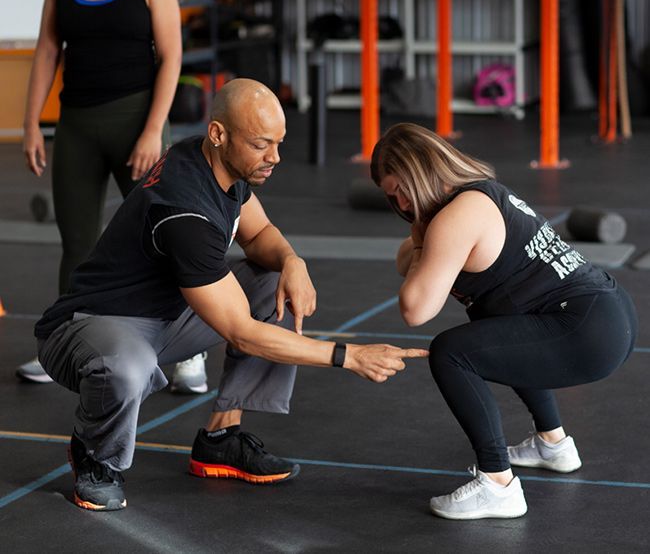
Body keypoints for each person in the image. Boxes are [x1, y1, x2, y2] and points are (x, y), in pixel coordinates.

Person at [34, 79, 428, 512]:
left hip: (164, 316)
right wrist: (349, 356)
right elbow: (242, 333)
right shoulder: (185, 212)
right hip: (89, 326)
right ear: (219, 134)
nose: (274, 157)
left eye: (278, 143)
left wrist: (293, 261)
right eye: (261, 144)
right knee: (130, 367)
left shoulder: (216, 163)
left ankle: (221, 437)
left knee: (268, 281)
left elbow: (259, 234)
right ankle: (95, 457)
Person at [370, 122, 638, 520]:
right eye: (393, 200)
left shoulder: (455, 217)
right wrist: (423, 244)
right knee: (503, 329)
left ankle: (497, 483)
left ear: (419, 176)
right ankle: (554, 444)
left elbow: (415, 308)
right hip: (606, 313)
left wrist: (423, 239)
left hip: (588, 329)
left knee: (452, 352)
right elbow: (402, 260)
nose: (403, 207)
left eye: (400, 193)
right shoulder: (478, 194)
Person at [17, 0, 205, 392]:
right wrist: (31, 123)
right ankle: (62, 343)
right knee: (76, 243)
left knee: (167, 238)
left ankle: (188, 351)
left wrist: (151, 131)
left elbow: (171, 58)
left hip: (135, 123)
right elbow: (46, 50)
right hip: (77, 126)